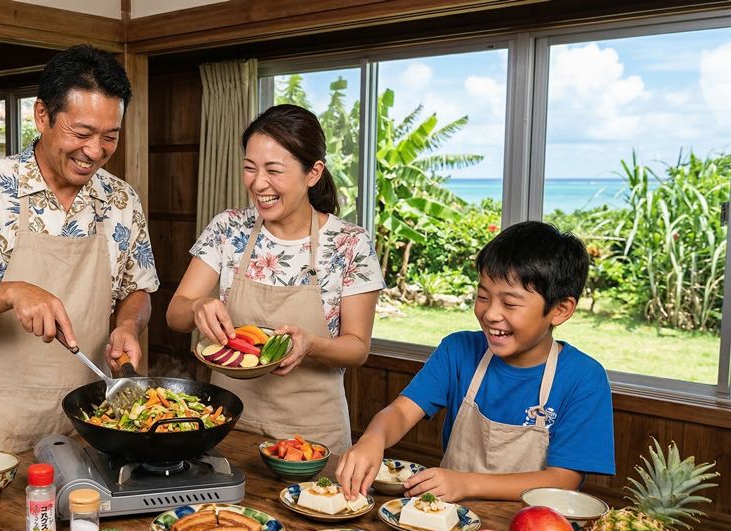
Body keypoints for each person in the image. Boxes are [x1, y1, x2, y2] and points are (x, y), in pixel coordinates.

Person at [0, 45, 159, 454]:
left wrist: (128, 325)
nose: (95, 151)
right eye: (81, 134)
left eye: (110, 137)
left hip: (96, 419)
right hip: (0, 425)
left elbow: (138, 289)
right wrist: (13, 292)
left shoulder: (122, 200)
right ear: (42, 116)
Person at [336, 221, 616, 502]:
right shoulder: (458, 350)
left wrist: (467, 484)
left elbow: (563, 480)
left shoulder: (584, 379)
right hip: (446, 521)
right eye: (483, 296)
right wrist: (374, 439)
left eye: (509, 304)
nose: (490, 313)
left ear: (560, 310)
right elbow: (400, 412)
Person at [166, 104, 383, 452]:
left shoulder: (350, 243)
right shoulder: (228, 228)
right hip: (227, 423)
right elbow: (175, 314)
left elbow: (357, 348)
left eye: (274, 170)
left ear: (313, 173)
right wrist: (198, 307)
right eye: (250, 168)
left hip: (313, 435)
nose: (258, 183)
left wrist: (311, 344)